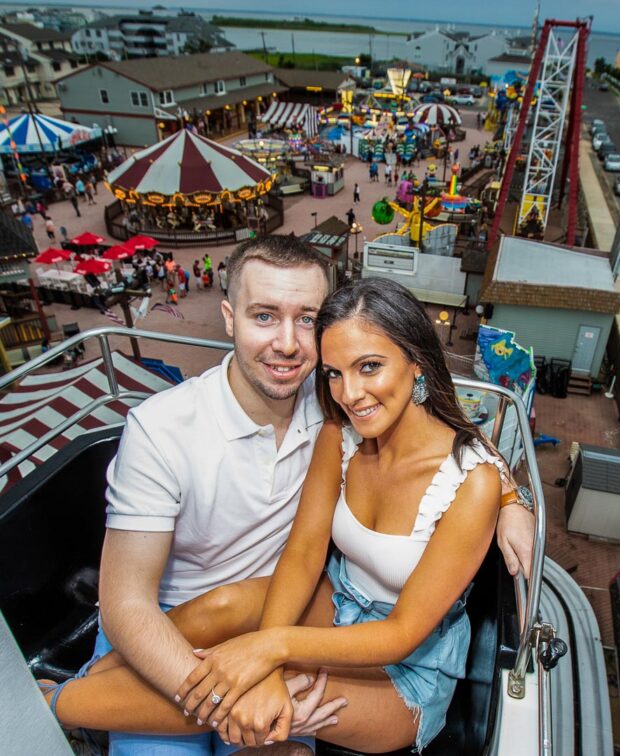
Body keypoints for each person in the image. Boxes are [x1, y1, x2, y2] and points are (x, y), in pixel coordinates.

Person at [40, 237, 534, 754]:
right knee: (229, 634)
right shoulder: (323, 423)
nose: (349, 391)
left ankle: (58, 704)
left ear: (416, 361)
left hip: (398, 658)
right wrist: (262, 657)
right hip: (305, 606)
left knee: (271, 706)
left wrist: (510, 498)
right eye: (264, 316)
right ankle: (78, 690)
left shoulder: (340, 413)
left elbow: (458, 454)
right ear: (229, 318)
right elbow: (299, 553)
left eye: (306, 320)